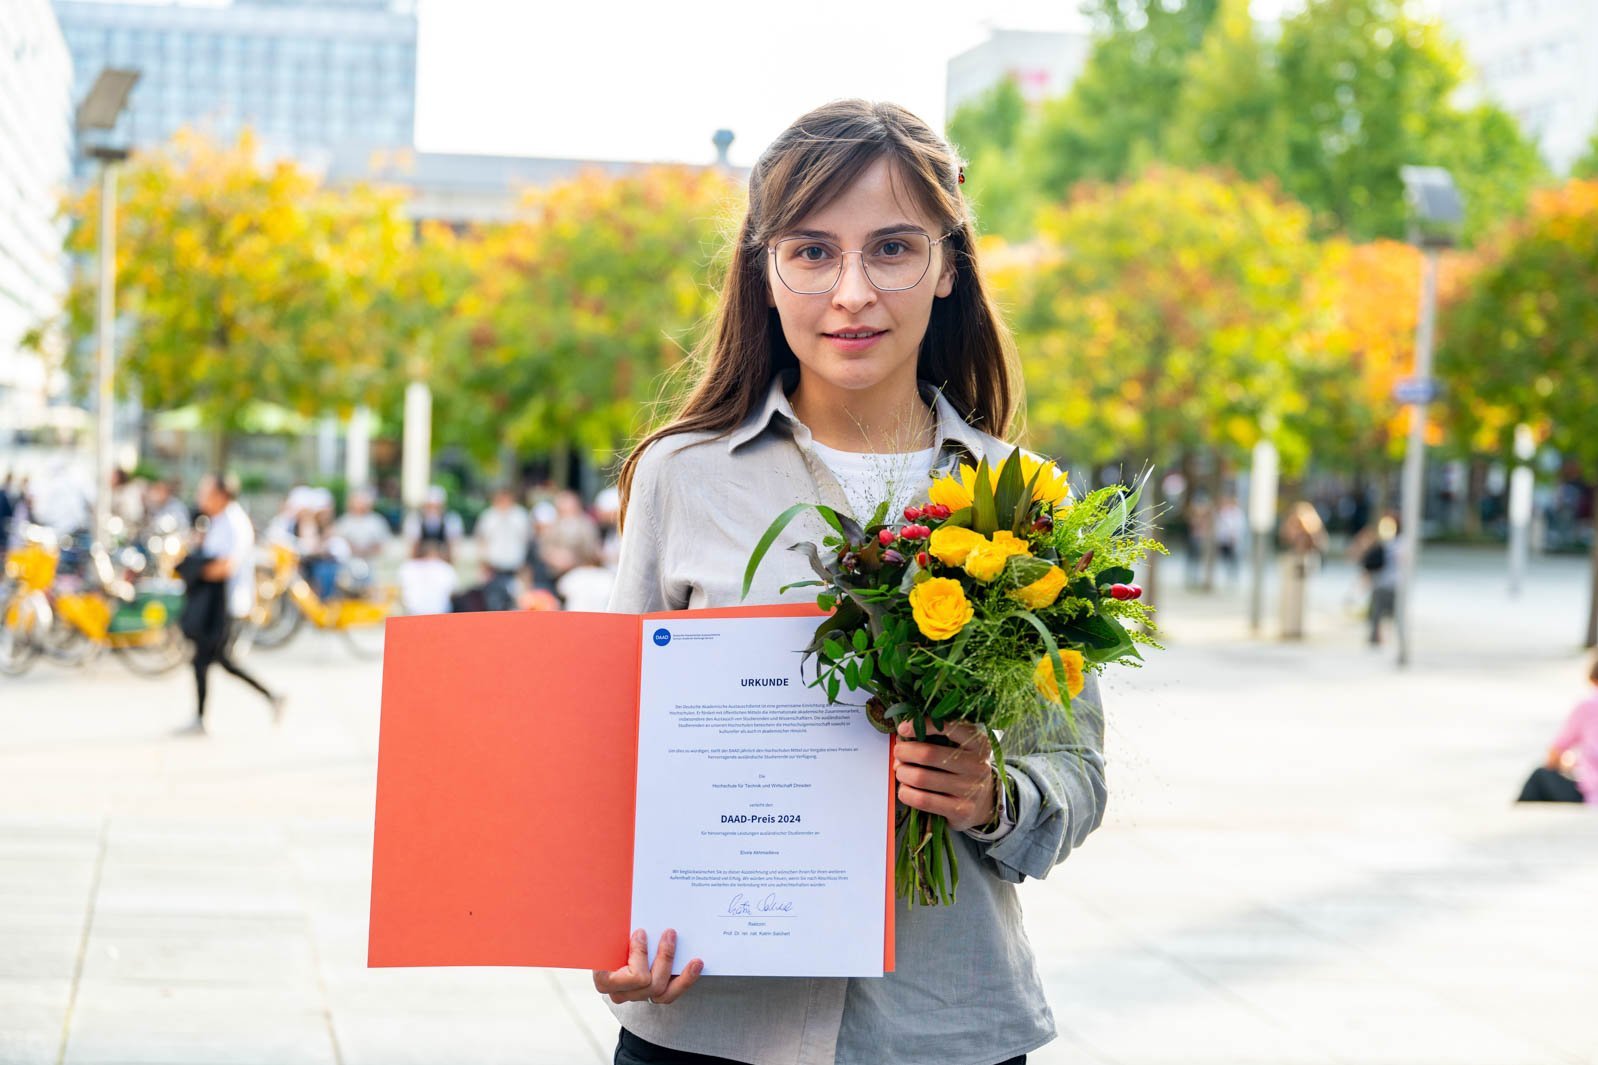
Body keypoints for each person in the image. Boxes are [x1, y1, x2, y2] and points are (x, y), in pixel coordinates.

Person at [599, 100, 1105, 1065]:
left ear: (949, 264)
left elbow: (1074, 772)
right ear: (765, 267)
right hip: (710, 1020)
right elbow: (615, 750)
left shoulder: (1021, 500)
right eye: (814, 251)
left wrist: (990, 792)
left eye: (894, 248)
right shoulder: (681, 474)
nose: (853, 292)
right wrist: (604, 930)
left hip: (942, 1023)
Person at [175, 473, 282, 735]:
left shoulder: (233, 523)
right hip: (215, 602)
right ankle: (270, 697)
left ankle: (272, 696)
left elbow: (224, 567)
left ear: (221, 495)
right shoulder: (217, 521)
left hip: (226, 604)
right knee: (210, 660)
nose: (200, 498)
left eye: (205, 492)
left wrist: (196, 569)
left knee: (216, 659)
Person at [1518, 657, 1598, 804]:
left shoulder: (1587, 706)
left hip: (1592, 793)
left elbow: (1555, 753)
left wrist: (1566, 764)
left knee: (1539, 776)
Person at [402, 485, 463, 560]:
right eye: (429, 506)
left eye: (436, 507)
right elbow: (412, 549)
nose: (432, 510)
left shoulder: (451, 520)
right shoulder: (415, 519)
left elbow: (453, 550)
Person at [398, 539, 457, 616]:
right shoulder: (445, 568)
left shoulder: (407, 567)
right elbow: (453, 593)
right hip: (439, 615)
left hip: (413, 614)